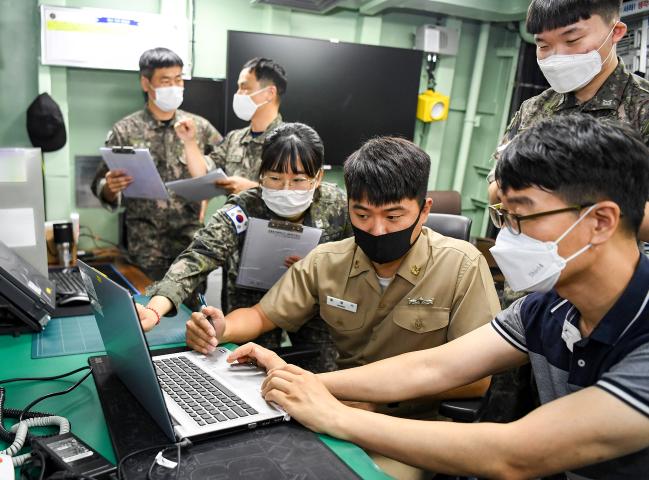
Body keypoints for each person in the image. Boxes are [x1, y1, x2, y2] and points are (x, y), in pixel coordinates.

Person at [231, 115, 649, 479]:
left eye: (520, 216)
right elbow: (433, 367)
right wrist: (304, 384)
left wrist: (335, 414)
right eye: (503, 217)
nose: (506, 236)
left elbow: (516, 454)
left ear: (600, 222)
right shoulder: (547, 307)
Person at [185, 136, 501, 419]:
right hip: (333, 405)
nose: (377, 230)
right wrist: (221, 327)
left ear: (424, 210)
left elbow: (477, 379)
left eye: (393, 217)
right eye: (362, 215)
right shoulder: (328, 261)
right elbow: (261, 315)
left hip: (415, 423)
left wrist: (379, 401)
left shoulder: (462, 267)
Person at [140, 123, 350, 372]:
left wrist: (321, 272)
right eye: (275, 178)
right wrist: (155, 309)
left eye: (298, 180)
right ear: (260, 175)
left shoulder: (338, 206)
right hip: (250, 305)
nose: (286, 190)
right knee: (246, 372)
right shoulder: (244, 208)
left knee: (320, 372)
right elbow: (200, 254)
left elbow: (359, 261)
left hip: (316, 309)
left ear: (318, 178)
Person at [487, 0, 649, 242]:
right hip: (533, 261)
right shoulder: (534, 109)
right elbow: (496, 192)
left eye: (572, 40)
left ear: (615, 32)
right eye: (543, 45)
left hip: (612, 271)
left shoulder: (642, 108)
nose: (556, 56)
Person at [91, 47, 222, 280]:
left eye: (178, 79)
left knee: (191, 313)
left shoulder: (200, 128)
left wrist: (206, 199)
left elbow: (222, 174)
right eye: (165, 80)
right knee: (148, 311)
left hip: (189, 245)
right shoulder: (125, 130)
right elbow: (100, 184)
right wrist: (110, 189)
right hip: (145, 248)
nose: (174, 86)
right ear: (146, 83)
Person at [182, 57, 287, 195]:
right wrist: (189, 141)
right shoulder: (234, 138)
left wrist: (252, 190)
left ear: (269, 93)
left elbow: (298, 197)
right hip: (232, 216)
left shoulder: (292, 143)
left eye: (244, 87)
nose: (238, 94)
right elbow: (202, 172)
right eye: (238, 87)